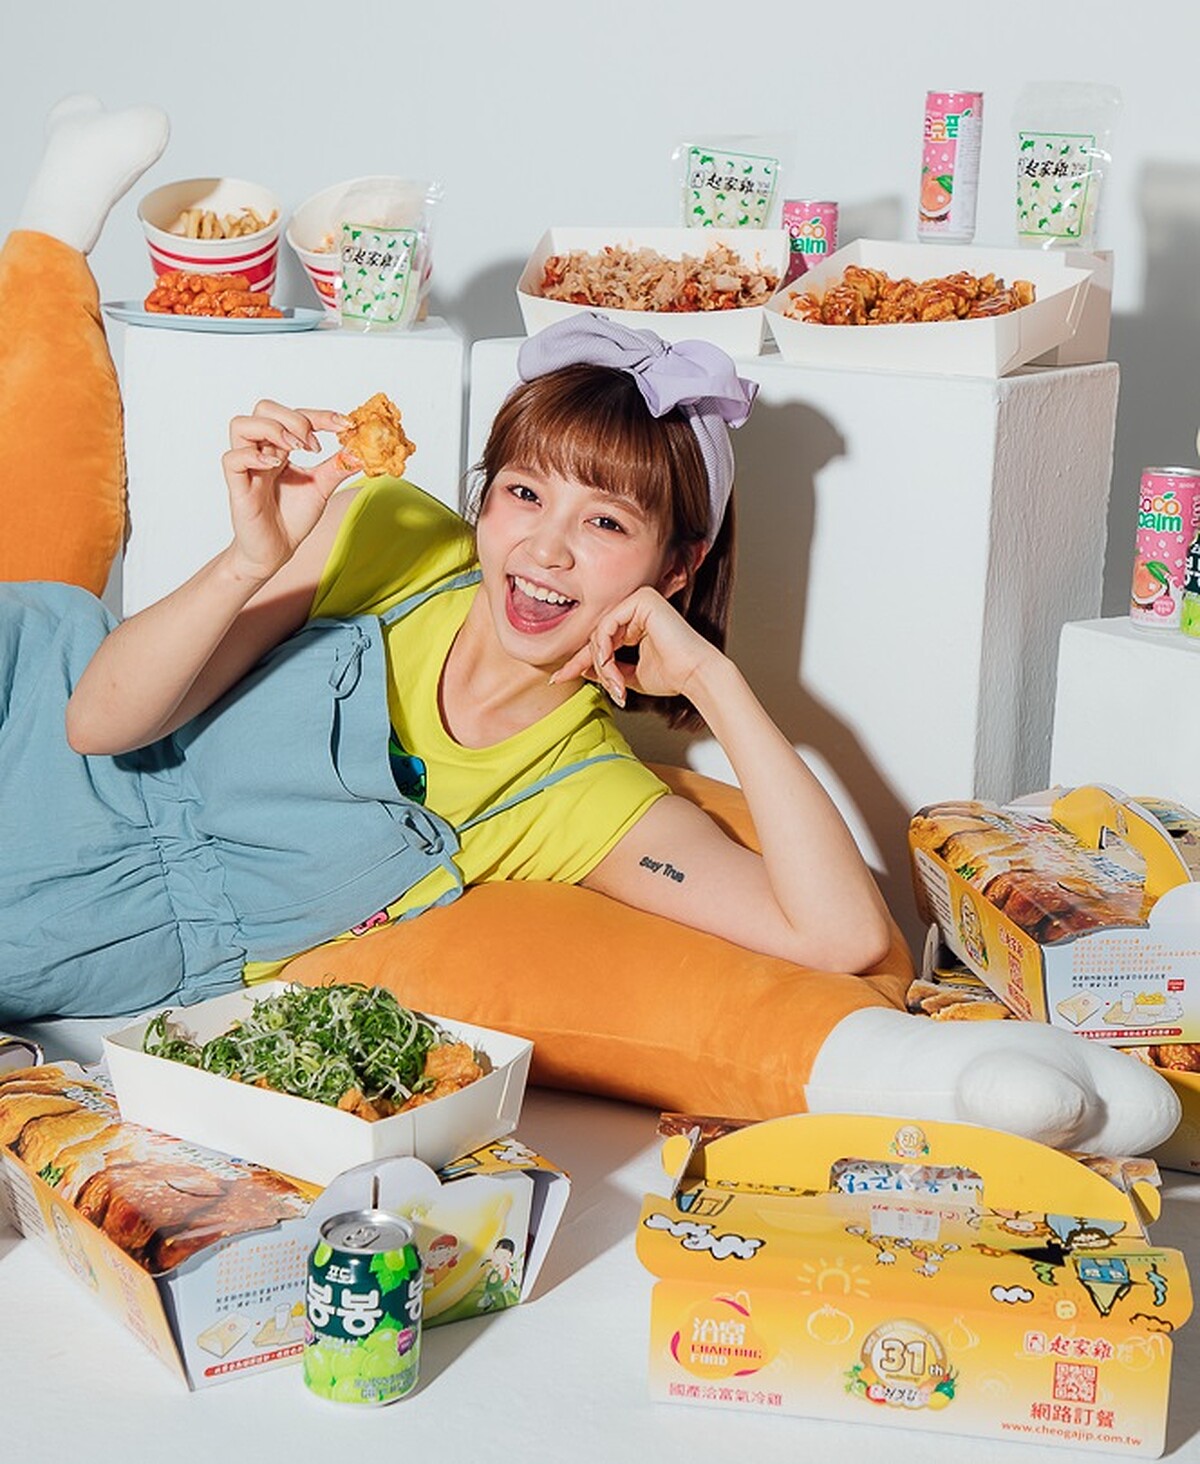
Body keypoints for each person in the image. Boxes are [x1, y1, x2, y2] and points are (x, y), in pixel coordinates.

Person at [0, 96, 1181, 1159]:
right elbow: (96, 720)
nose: (546, 548)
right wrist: (251, 559)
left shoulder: (577, 795)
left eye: (605, 521)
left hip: (68, 933)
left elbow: (837, 938)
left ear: (677, 564)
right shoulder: (391, 535)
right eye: (523, 493)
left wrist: (715, 683)